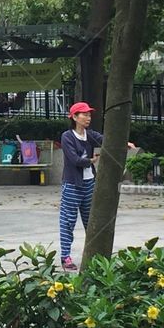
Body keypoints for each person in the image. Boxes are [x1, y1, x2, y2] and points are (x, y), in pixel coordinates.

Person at [58, 102, 102, 271]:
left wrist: (125, 143)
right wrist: (89, 161)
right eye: (84, 114)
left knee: (91, 221)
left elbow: (107, 139)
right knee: (68, 221)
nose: (88, 118)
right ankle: (65, 257)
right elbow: (74, 159)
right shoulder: (67, 136)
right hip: (72, 184)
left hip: (89, 183)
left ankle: (93, 255)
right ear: (74, 117)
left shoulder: (90, 135)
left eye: (89, 115)